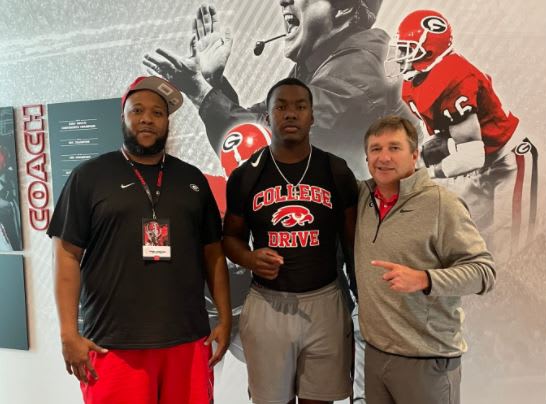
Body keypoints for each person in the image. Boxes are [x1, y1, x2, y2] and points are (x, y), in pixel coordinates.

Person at [47, 76, 232, 404]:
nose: (147, 118)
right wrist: (67, 333)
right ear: (123, 117)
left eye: (157, 112)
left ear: (167, 122)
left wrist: (225, 316)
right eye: (138, 110)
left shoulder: (192, 180)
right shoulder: (89, 177)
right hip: (113, 343)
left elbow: (213, 253)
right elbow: (66, 255)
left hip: (187, 342)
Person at [143, 0, 417, 179]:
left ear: (343, 8)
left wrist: (202, 93)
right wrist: (213, 82)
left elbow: (268, 143)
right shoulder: (318, 63)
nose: (284, 1)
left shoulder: (359, 73)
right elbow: (253, 130)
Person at [223, 78, 357, 404]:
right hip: (269, 302)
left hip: (325, 300)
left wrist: (363, 301)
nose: (291, 114)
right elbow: (230, 240)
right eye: (281, 107)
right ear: (268, 118)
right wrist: (250, 259)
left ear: (313, 116)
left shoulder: (336, 170)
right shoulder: (246, 175)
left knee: (319, 400)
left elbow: (354, 246)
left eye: (300, 106)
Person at [355, 115, 496, 404]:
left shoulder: (441, 203)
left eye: (394, 148)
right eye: (375, 149)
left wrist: (425, 279)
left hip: (426, 359)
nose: (383, 157)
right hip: (375, 355)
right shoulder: (362, 197)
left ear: (415, 154)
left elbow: (484, 272)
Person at [385, 9, 537, 260]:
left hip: (509, 159)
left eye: (407, 49)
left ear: (428, 51)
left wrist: (427, 173)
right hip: (482, 163)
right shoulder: (416, 80)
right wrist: (417, 160)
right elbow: (445, 138)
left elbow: (471, 156)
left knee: (512, 250)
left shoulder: (454, 78)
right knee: (468, 239)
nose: (401, 57)